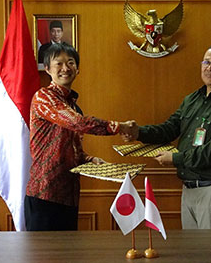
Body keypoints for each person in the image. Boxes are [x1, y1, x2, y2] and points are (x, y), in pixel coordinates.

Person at [123, 45, 211, 229]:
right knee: (193, 254)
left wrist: (176, 159)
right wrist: (138, 133)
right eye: (206, 62)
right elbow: (169, 128)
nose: (209, 67)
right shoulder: (192, 100)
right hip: (188, 190)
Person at [25, 42, 132, 231]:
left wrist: (90, 160)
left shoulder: (73, 106)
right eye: (59, 63)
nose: (65, 68)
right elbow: (78, 123)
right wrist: (119, 127)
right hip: (45, 193)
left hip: (69, 195)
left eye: (71, 62)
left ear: (77, 69)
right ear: (47, 69)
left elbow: (72, 150)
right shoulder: (44, 97)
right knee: (43, 258)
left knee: (67, 256)